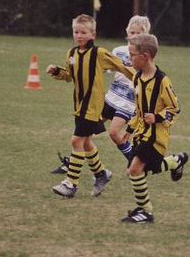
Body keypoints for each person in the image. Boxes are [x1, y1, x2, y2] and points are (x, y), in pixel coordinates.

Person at [46, 14, 135, 199]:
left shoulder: (99, 54)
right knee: (85, 142)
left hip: (93, 107)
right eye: (76, 32)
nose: (79, 35)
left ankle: (71, 184)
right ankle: (101, 173)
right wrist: (56, 72)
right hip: (79, 105)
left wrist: (143, 79)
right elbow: (70, 76)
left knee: (76, 141)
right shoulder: (71, 54)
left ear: (93, 34)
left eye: (83, 32)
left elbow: (122, 67)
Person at [119, 33, 188, 224]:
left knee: (134, 170)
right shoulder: (137, 78)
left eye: (132, 54)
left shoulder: (162, 81)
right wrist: (129, 129)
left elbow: (175, 108)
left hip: (156, 137)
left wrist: (157, 116)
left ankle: (146, 212)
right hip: (141, 134)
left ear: (145, 56)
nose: (129, 58)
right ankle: (176, 161)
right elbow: (139, 110)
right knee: (138, 171)